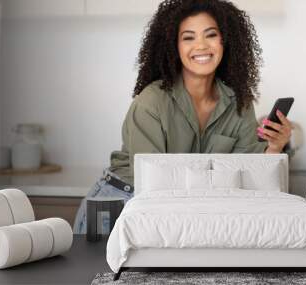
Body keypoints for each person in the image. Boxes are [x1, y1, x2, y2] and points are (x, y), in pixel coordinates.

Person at [73, 0, 292, 233]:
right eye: (188, 37)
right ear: (173, 46)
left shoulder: (239, 104)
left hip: (182, 209)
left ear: (225, 41)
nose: (200, 45)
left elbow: (245, 177)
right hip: (118, 206)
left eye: (210, 35)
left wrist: (274, 149)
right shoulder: (151, 102)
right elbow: (152, 185)